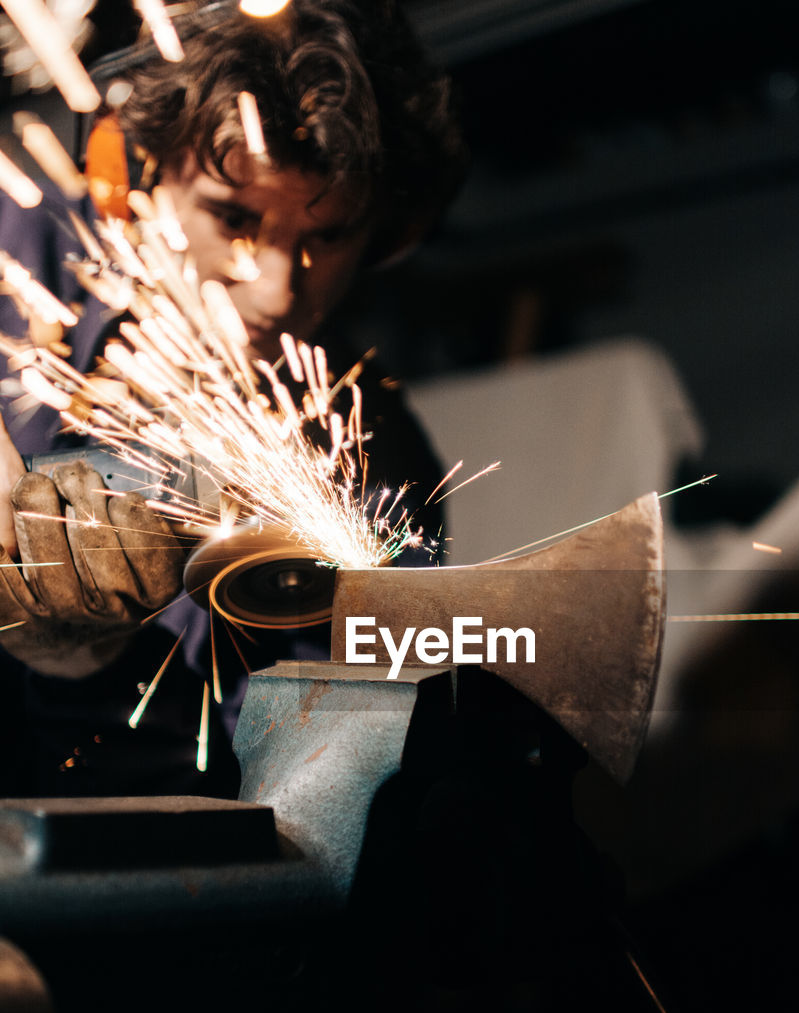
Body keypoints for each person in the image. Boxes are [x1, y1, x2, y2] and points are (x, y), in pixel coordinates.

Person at [0, 0, 466, 798]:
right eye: (234, 218)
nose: (278, 289)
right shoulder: (16, 255)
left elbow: (297, 787)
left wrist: (88, 660)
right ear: (135, 175)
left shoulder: (372, 472)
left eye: (327, 236)